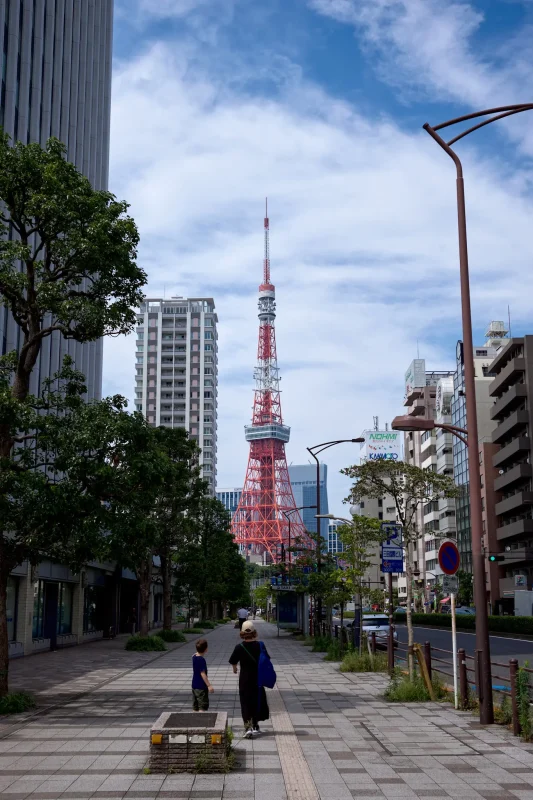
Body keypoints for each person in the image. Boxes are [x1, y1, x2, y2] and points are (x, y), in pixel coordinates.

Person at [229, 621, 270, 737]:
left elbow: (233, 661)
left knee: (246, 703)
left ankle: (248, 728)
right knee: (257, 701)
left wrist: (235, 669)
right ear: (254, 632)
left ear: (242, 633)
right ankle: (256, 725)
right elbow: (266, 659)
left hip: (245, 680)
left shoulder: (239, 647)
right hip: (258, 678)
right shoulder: (260, 645)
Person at [192, 638, 214, 712]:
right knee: (202, 706)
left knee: (195, 706)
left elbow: (194, 654)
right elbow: (203, 673)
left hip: (194, 686)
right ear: (206, 649)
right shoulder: (202, 660)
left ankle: (194, 720)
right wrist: (209, 685)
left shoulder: (194, 657)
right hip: (201, 687)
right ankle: (201, 722)